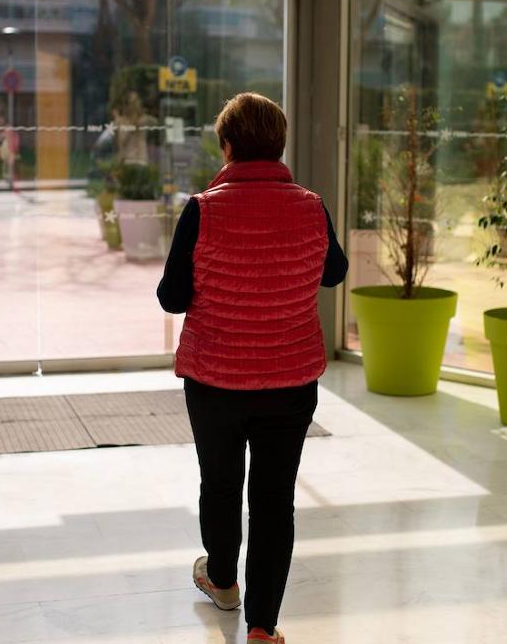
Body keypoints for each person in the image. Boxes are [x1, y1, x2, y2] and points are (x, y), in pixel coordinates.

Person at [156, 93, 347, 644]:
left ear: (229, 146)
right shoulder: (312, 207)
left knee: (220, 484)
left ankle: (221, 581)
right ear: (279, 146)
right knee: (273, 500)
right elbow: (333, 272)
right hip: (291, 381)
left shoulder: (203, 209)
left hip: (215, 380)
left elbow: (172, 297)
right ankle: (263, 626)